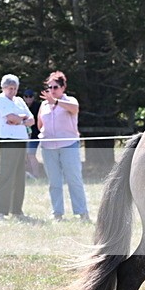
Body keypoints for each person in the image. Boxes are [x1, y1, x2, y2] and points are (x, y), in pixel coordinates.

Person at [38, 71, 89, 222]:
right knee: (54, 182)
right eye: (49, 87)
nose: (52, 90)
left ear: (63, 87)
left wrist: (57, 102)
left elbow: (74, 109)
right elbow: (40, 123)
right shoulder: (44, 104)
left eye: (55, 87)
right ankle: (57, 213)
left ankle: (82, 213)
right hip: (48, 147)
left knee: (74, 179)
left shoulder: (70, 101)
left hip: (69, 145)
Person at [0, 74, 34, 221]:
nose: (13, 91)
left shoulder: (20, 101)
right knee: (5, 175)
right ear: (3, 87)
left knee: (19, 176)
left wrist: (20, 121)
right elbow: (11, 117)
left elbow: (31, 120)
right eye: (10, 88)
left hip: (21, 140)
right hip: (7, 141)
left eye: (15, 88)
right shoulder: (0, 99)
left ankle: (17, 210)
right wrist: (20, 119)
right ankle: (0, 212)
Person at [23, 88, 43, 178]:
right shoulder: (21, 106)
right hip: (24, 135)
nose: (28, 98)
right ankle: (30, 174)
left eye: (30, 96)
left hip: (35, 135)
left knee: (31, 154)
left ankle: (36, 175)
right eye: (26, 96)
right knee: (26, 156)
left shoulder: (38, 106)